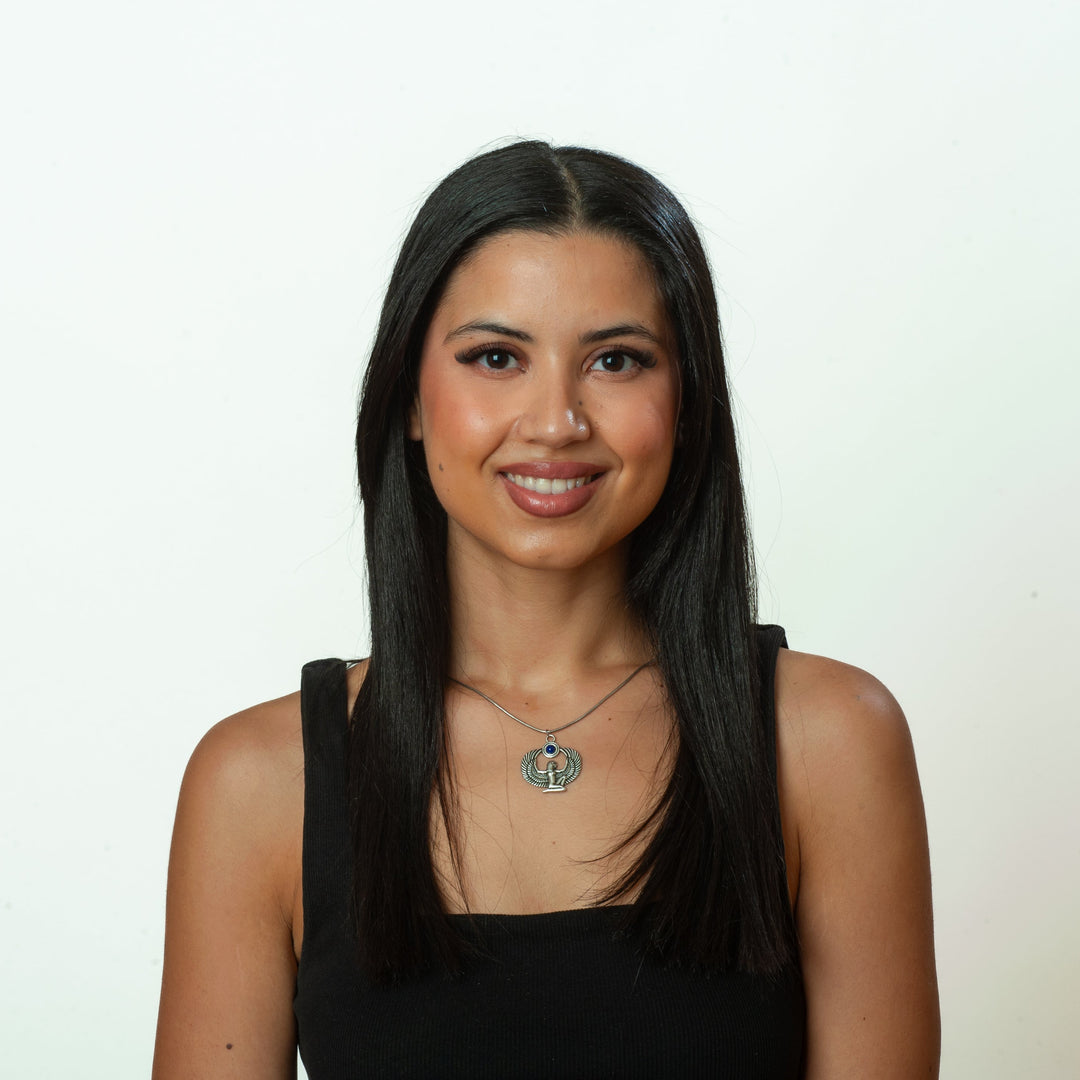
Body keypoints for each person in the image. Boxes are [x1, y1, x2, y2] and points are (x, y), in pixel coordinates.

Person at [153, 142, 940, 1078]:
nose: (556, 420)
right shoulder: (258, 785)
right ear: (410, 398)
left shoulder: (827, 743)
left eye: (615, 359)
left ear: (685, 405)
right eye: (496, 357)